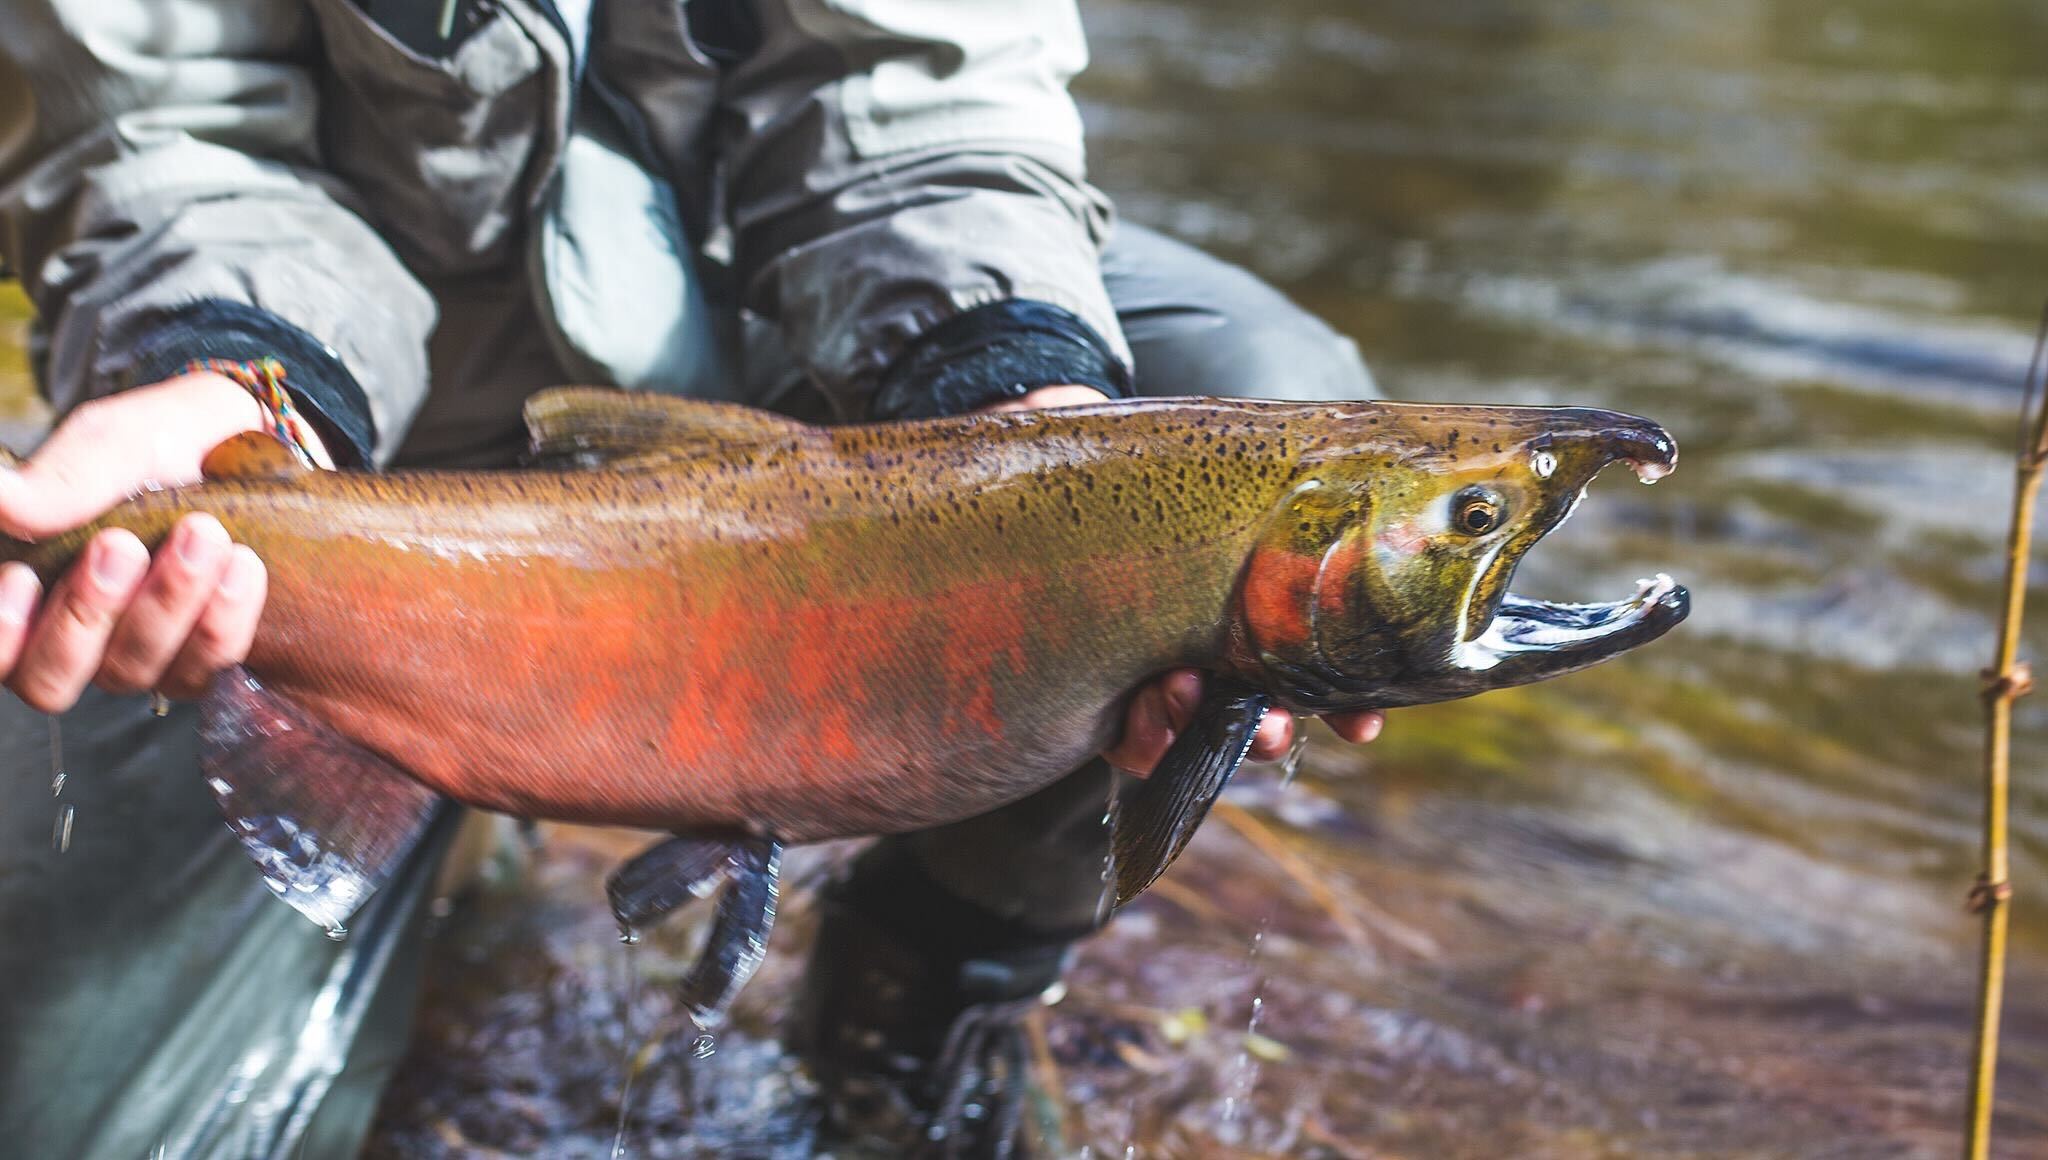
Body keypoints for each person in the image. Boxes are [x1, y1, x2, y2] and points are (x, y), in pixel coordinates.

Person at [0, 1, 1382, 1155]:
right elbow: (165, 128)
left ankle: (923, 984)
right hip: (344, 409)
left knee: (1256, 405)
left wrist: (1019, 413)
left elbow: (922, 105)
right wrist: (239, 383)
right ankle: (447, 805)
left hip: (826, 364)